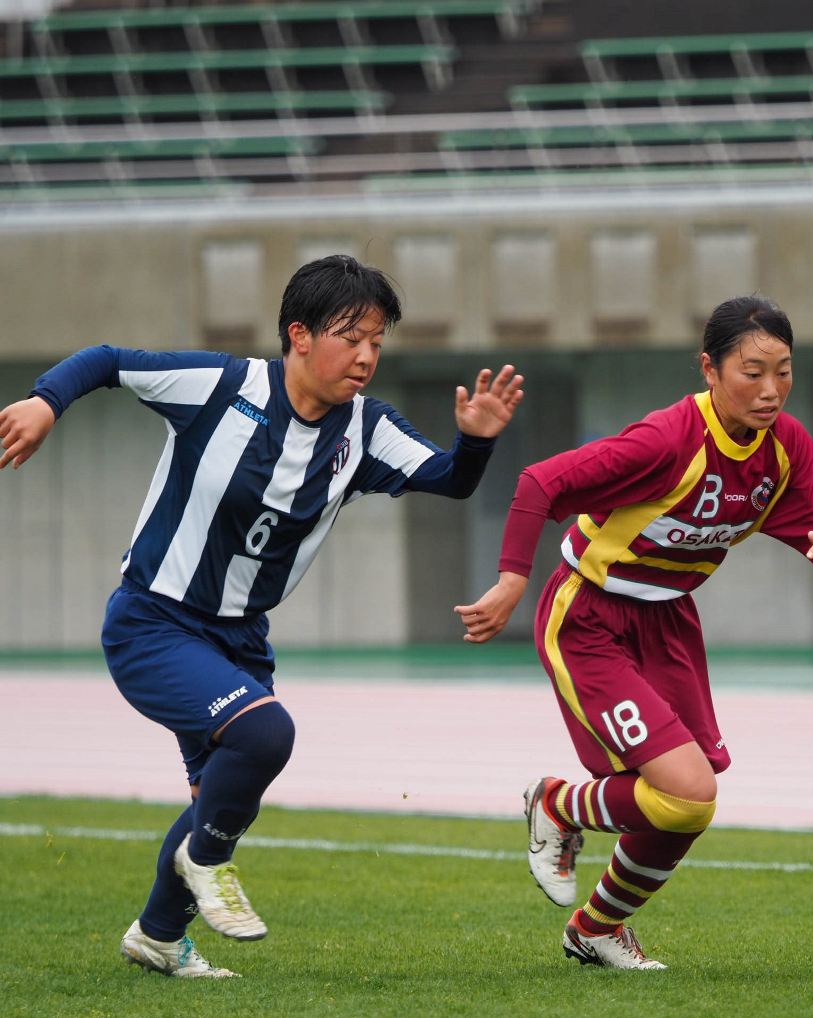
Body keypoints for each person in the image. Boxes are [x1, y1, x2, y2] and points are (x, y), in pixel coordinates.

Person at [0, 254, 523, 979]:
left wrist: (478, 438)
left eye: (378, 340)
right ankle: (207, 862)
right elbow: (109, 360)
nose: (367, 355)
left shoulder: (365, 429)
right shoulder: (224, 386)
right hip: (154, 621)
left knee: (214, 794)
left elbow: (449, 480)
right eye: (352, 336)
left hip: (241, 639)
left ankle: (158, 936)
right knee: (266, 734)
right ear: (299, 335)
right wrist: (44, 402)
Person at [455, 295, 813, 970]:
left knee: (688, 802)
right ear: (709, 370)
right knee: (685, 791)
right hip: (588, 614)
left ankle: (594, 929)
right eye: (752, 371)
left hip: (669, 621)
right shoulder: (668, 440)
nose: (771, 391)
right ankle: (555, 804)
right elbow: (539, 483)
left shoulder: (785, 447)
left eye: (784, 372)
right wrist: (510, 580)